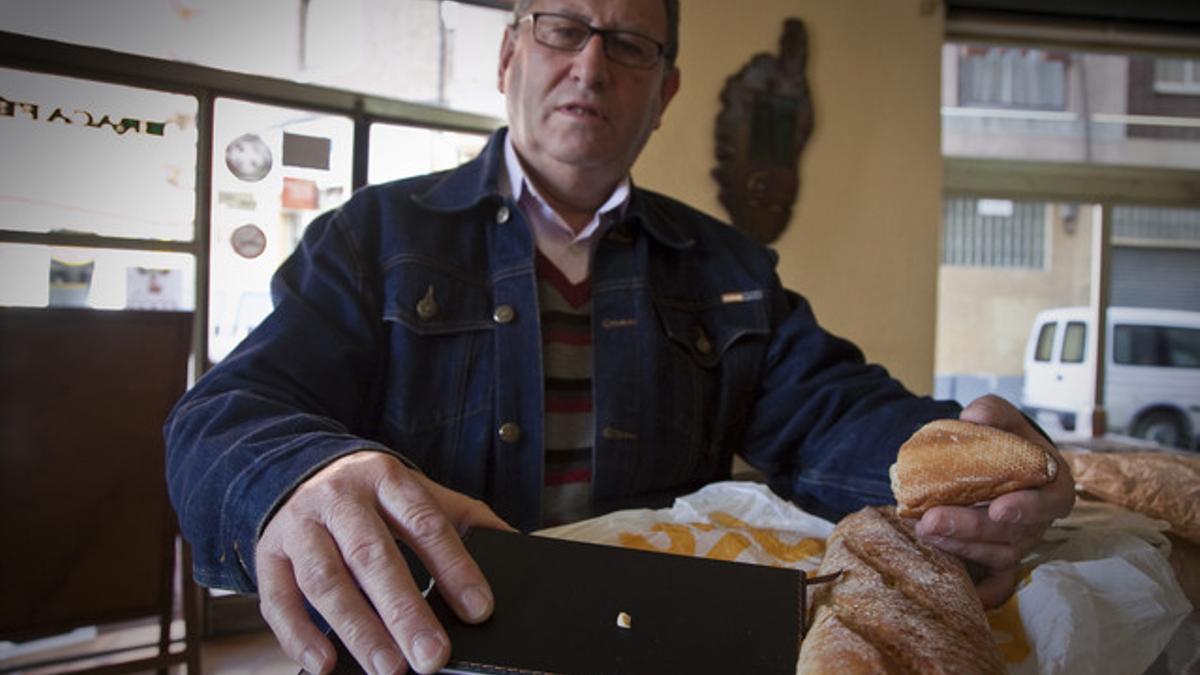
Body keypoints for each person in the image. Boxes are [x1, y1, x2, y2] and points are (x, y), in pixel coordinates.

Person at [164, 1, 1076, 673]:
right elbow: (224, 416)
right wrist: (294, 475)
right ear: (509, 52)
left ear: (666, 91)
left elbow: (835, 417)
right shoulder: (374, 236)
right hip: (425, 652)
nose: (591, 69)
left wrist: (972, 461)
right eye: (562, 28)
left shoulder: (731, 269)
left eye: (629, 45)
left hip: (660, 655)